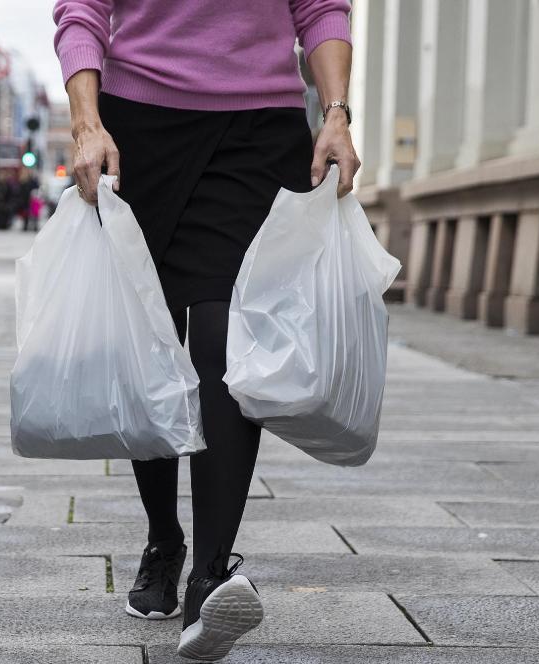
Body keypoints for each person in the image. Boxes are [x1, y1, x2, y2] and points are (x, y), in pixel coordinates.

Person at [53, 0, 359, 660]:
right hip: (142, 131)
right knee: (149, 345)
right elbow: (81, 10)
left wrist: (335, 112)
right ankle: (165, 539)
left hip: (257, 130)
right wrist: (87, 121)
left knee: (227, 334)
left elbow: (321, 9)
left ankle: (210, 574)